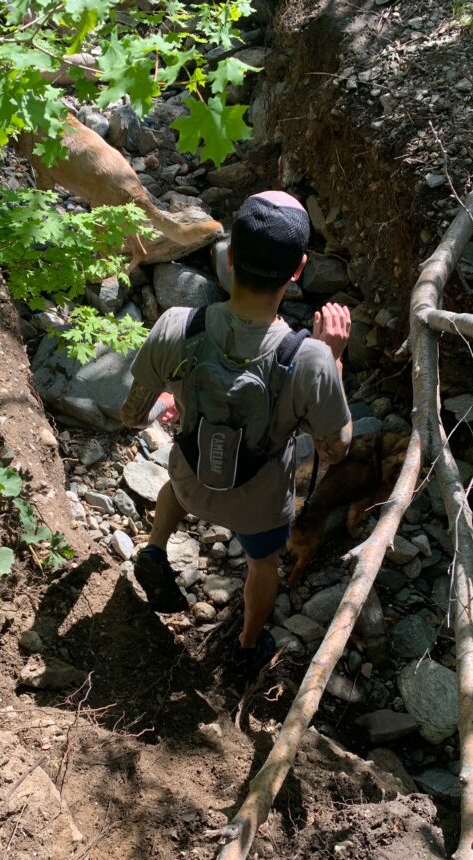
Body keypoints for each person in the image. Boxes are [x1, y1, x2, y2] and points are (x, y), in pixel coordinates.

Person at [120, 191, 353, 670]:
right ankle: (247, 646)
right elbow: (336, 447)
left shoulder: (177, 325)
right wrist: (333, 359)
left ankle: (155, 551)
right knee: (262, 565)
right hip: (257, 506)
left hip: (192, 479)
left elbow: (129, 416)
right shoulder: (308, 357)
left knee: (175, 485)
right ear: (299, 269)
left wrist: (169, 397)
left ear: (228, 258)